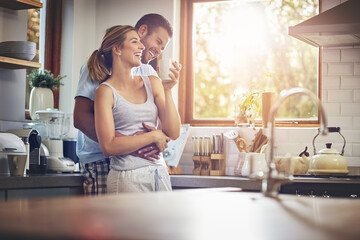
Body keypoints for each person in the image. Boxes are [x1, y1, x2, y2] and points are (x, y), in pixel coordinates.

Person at [73, 13, 182, 195]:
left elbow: (168, 129)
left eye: (163, 48)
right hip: (99, 159)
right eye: (158, 42)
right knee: (107, 223)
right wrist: (128, 145)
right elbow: (80, 117)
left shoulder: (148, 73)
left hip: (149, 166)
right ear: (143, 31)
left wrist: (150, 140)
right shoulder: (98, 67)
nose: (159, 51)